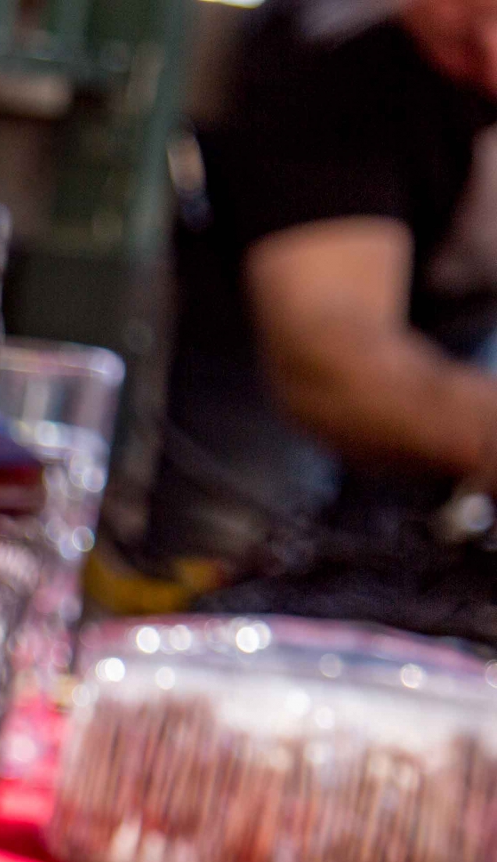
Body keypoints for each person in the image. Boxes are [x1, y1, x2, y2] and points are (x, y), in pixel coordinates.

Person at [135, 0, 497, 637]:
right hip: (272, 356)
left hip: (460, 327)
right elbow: (327, 358)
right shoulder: (336, 50)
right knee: (234, 597)